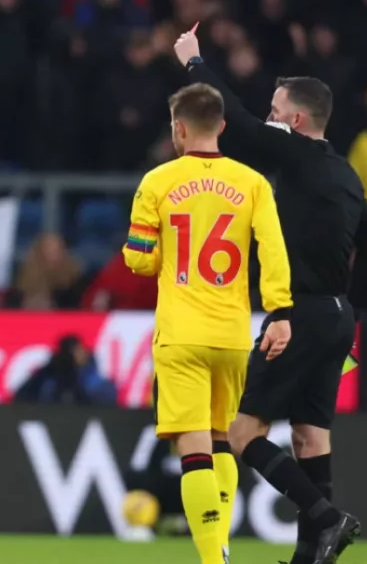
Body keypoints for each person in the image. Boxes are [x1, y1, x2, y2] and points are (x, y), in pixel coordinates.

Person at [175, 26, 367, 564]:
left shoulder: (295, 154)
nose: (268, 116)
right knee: (310, 438)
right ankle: (310, 558)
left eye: (276, 109)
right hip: (339, 316)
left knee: (242, 433)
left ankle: (325, 516)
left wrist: (194, 62)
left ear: (295, 120)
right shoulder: (347, 174)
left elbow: (238, 123)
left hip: (301, 314)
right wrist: (347, 305)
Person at [124, 82, 293, 564]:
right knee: (222, 444)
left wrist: (159, 253)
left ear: (178, 128)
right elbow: (273, 251)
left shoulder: (156, 181)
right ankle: (221, 547)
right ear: (221, 126)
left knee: (193, 450)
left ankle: (212, 560)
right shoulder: (253, 183)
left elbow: (137, 260)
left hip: (181, 334)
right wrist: (279, 310)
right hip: (232, 334)